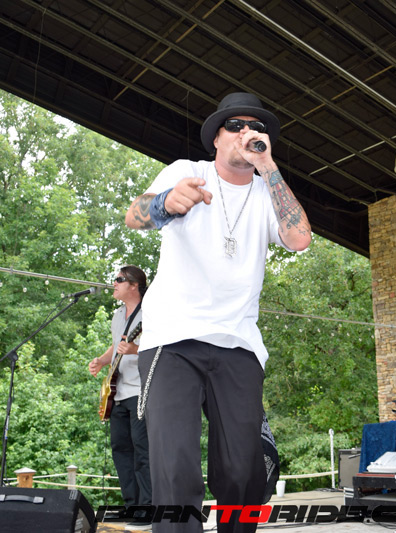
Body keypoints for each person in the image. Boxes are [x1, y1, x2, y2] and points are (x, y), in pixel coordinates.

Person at [125, 92, 311, 533]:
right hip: (173, 339)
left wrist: (268, 167)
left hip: (239, 343)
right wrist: (165, 202)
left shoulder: (267, 191)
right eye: (236, 126)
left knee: (243, 471)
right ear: (216, 138)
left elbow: (300, 238)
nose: (246, 133)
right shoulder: (188, 171)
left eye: (256, 127)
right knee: (176, 468)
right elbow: (134, 216)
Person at [88, 266, 152, 509]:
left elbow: (162, 346)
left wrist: (136, 349)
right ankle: (132, 506)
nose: (114, 283)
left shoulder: (151, 312)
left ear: (134, 285)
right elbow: (116, 345)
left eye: (119, 279)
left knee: (142, 450)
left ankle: (148, 507)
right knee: (120, 449)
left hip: (140, 391)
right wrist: (102, 360)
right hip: (117, 393)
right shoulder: (117, 315)